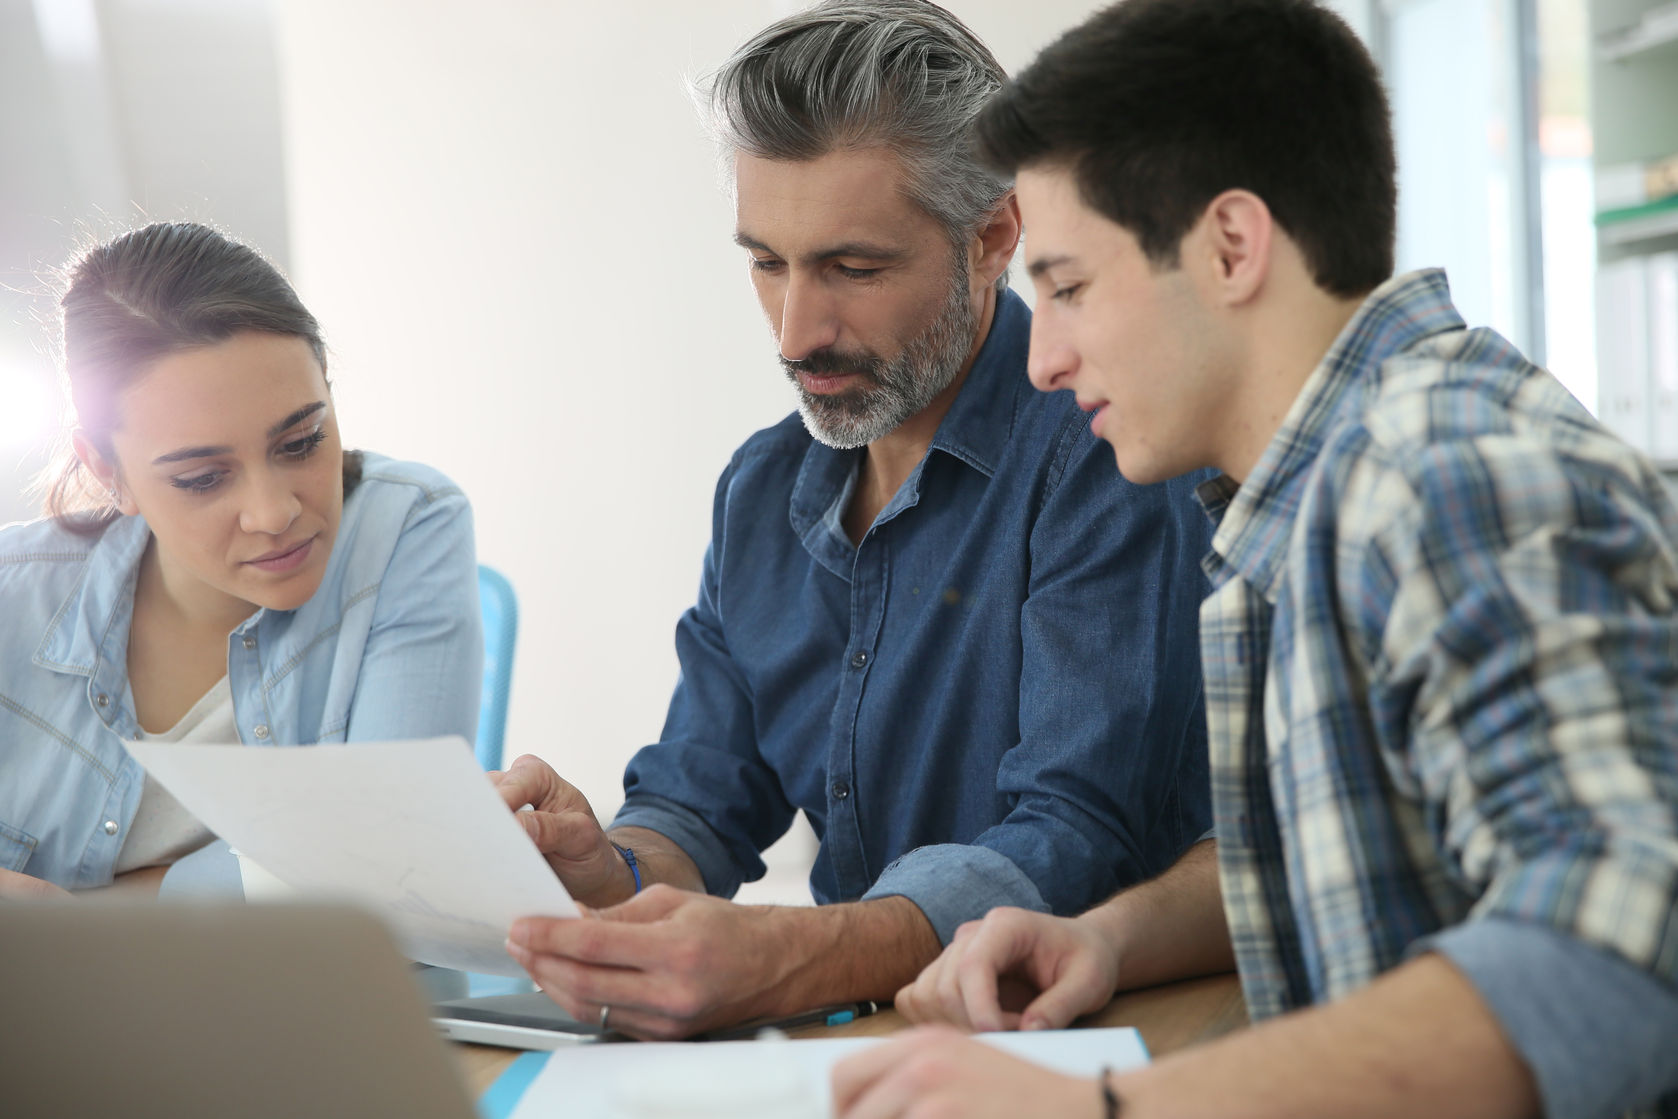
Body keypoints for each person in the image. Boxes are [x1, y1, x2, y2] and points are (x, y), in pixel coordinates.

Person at [833, 1, 1678, 1117]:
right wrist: (1108, 937)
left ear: (1232, 245)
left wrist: (1105, 1109)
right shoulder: (1319, 493)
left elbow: (1627, 936)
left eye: (1071, 285)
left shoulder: (1438, 472)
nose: (1042, 359)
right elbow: (1359, 857)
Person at [493, 0, 1213, 1040]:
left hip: (1088, 1042)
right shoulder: (758, 492)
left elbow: (1076, 831)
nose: (796, 332)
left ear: (993, 236)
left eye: (852, 268)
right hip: (885, 1044)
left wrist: (792, 956)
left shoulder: (1106, 451)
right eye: (766, 262)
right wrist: (602, 870)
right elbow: (699, 804)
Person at [0, 221, 482, 900]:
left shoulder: (405, 526)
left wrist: (82, 919)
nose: (273, 511)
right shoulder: (12, 599)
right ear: (108, 472)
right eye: (202, 478)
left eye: (302, 441)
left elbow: (393, 869)